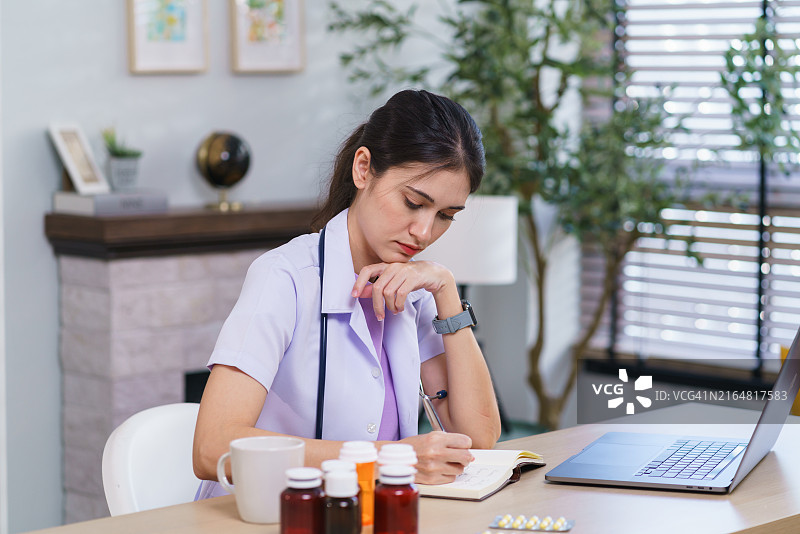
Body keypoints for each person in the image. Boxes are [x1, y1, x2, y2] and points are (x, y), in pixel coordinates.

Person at [193, 89, 501, 499]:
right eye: (413, 202)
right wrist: (387, 460)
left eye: (445, 216)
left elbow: (478, 437)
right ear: (363, 168)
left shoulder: (417, 291)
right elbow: (211, 446)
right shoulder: (284, 277)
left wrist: (445, 287)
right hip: (268, 517)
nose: (425, 233)